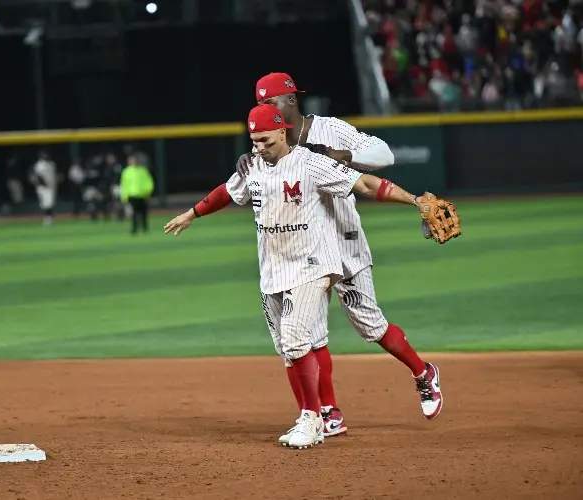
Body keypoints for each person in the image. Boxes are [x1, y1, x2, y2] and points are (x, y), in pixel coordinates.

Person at [165, 104, 458, 449]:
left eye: (265, 141)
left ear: (282, 133)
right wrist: (192, 213)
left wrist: (414, 201)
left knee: (298, 336)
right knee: (293, 348)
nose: (259, 148)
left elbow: (363, 182)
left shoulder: (310, 162)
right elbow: (226, 193)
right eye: (254, 141)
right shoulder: (252, 167)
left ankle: (311, 417)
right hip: (273, 271)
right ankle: (322, 414)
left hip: (313, 264)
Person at [237, 73, 443, 435]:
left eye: (270, 104)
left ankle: (423, 371)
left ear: (291, 101)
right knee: (310, 332)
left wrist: (349, 155)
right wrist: (253, 155)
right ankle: (329, 411)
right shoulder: (271, 142)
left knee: (370, 323)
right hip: (304, 248)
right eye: (261, 106)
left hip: (344, 239)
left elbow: (385, 154)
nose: (266, 111)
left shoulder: (330, 129)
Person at [120, 154, 154, 234]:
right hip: (132, 195)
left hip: (142, 195)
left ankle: (145, 228)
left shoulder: (143, 170)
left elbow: (149, 182)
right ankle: (134, 228)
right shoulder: (126, 171)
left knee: (143, 213)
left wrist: (148, 192)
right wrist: (124, 196)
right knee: (134, 213)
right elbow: (124, 184)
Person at [30, 151, 57, 226]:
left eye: (46, 155)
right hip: (43, 187)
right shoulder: (39, 165)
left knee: (49, 203)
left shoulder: (51, 164)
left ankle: (49, 218)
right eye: (43, 155)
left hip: (51, 186)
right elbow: (37, 176)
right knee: (46, 203)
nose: (45, 156)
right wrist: (43, 184)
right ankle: (47, 219)